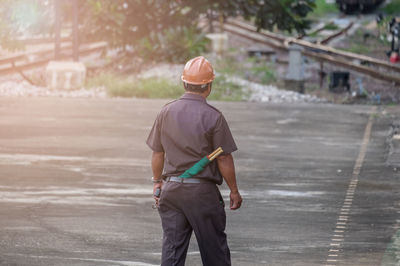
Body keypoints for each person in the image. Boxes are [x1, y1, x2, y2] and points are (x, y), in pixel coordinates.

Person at [146, 56, 242, 266]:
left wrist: (156, 183)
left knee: (171, 253)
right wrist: (233, 190)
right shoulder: (213, 117)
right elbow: (223, 156)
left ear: (184, 82)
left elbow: (157, 153)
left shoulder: (166, 111)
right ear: (208, 86)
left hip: (171, 191)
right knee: (214, 252)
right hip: (202, 195)